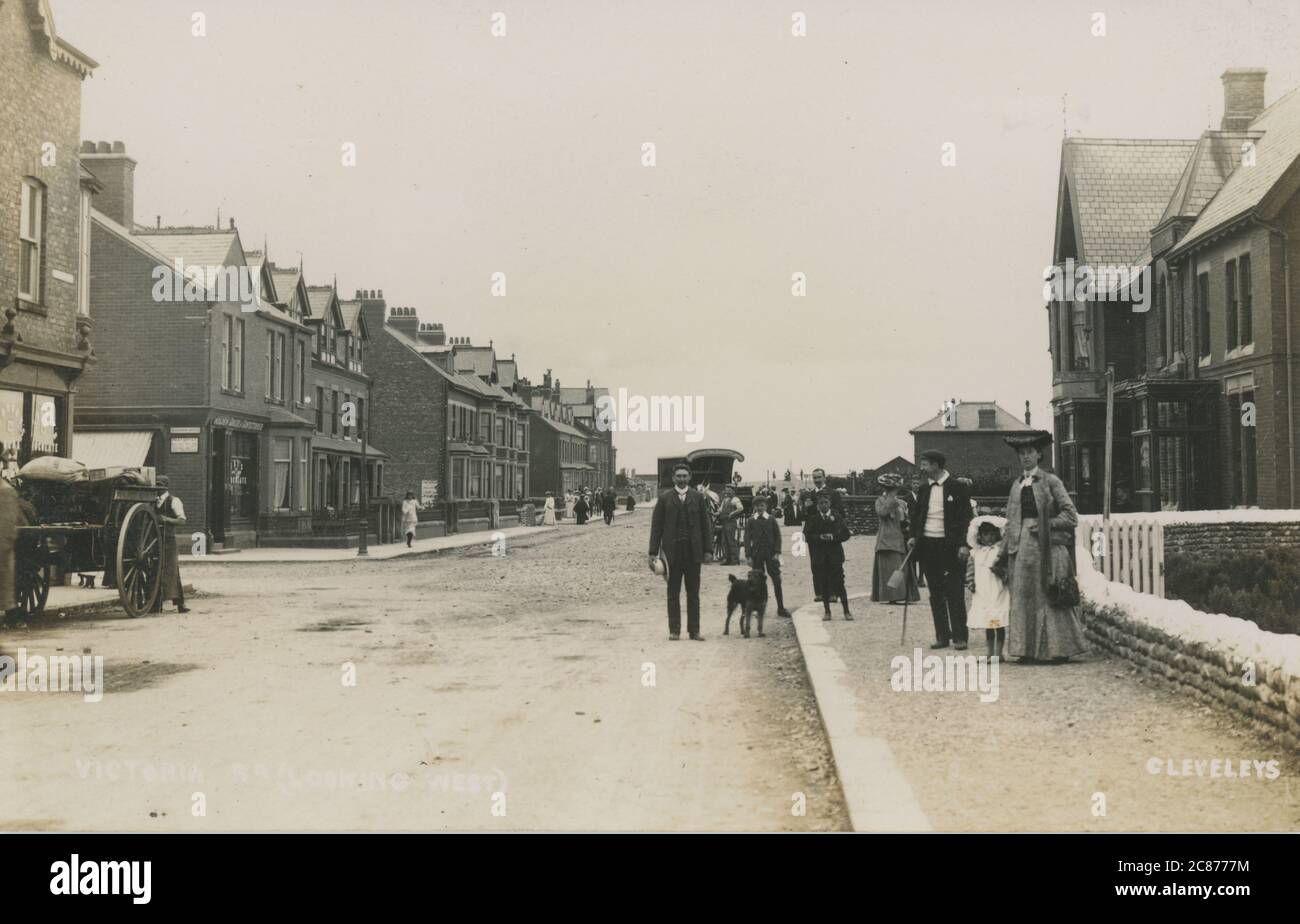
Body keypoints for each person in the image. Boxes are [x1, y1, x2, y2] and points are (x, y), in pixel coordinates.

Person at [1003, 431, 1087, 662]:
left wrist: (1044, 525)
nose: (1025, 457)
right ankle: (1026, 651)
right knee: (1023, 598)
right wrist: (1003, 552)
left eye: (1030, 452)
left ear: (1039, 454)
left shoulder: (1051, 481)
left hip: (1048, 549)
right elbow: (1011, 520)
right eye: (1021, 453)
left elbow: (1071, 516)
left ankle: (1058, 651)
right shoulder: (1016, 485)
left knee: (1048, 597)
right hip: (1020, 551)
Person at [908, 449, 972, 650]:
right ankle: (942, 636)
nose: (922, 467)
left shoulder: (958, 487)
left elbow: (965, 519)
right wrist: (912, 536)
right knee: (935, 593)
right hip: (928, 546)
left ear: (936, 465)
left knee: (954, 591)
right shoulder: (924, 489)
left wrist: (964, 544)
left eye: (925, 463)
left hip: (951, 547)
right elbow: (917, 515)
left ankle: (960, 637)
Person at [648, 462, 713, 640]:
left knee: (693, 594)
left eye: (685, 476)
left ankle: (694, 631)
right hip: (672, 555)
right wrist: (652, 552)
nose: (682, 479)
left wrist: (708, 549)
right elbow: (656, 527)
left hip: (693, 554)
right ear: (673, 478)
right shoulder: (665, 498)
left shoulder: (698, 498)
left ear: (690, 477)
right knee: (672, 593)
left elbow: (706, 526)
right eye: (679, 476)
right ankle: (674, 631)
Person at [965, 516, 1010, 659]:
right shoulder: (975, 552)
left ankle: (999, 652)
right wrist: (971, 582)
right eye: (985, 534)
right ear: (980, 536)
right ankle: (989, 652)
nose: (988, 538)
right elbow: (971, 569)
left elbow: (1006, 569)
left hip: (997, 589)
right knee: (988, 623)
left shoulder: (999, 552)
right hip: (983, 590)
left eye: (992, 534)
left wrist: (1000, 572)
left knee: (998, 622)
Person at [805, 492, 852, 621]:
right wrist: (819, 537)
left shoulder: (836, 517)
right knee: (824, 583)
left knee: (840, 582)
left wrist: (833, 537)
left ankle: (846, 610)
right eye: (821, 503)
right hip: (820, 556)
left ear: (830, 503)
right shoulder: (813, 519)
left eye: (826, 502)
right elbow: (807, 536)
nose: (823, 505)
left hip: (835, 555)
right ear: (817, 505)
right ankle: (827, 611)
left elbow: (846, 534)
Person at [872, 474, 919, 603]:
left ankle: (904, 594)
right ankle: (891, 595)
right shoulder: (880, 500)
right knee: (890, 567)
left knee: (902, 567)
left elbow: (906, 519)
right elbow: (883, 512)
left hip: (901, 537)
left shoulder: (902, 503)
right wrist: (892, 498)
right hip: (886, 539)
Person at [744, 494, 792, 618]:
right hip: (757, 554)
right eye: (757, 506)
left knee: (777, 580)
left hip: (771, 554)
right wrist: (748, 555)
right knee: (757, 582)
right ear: (754, 507)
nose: (759, 508)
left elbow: (778, 536)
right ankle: (758, 608)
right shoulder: (751, 521)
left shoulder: (771, 519)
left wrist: (777, 552)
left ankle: (781, 608)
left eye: (762, 505)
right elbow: (747, 539)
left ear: (766, 506)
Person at [801, 468, 843, 601]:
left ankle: (833, 593)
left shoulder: (834, 493)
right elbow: (803, 517)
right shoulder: (808, 495)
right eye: (815, 478)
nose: (817, 480)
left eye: (819, 477)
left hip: (830, 533)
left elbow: (840, 513)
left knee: (832, 563)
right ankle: (819, 593)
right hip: (814, 535)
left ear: (824, 477)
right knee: (816, 563)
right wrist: (807, 508)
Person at [152, 475, 190, 614]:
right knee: (156, 570)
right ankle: (155, 604)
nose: (157, 489)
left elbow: (182, 520)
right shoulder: (153, 501)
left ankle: (179, 603)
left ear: (165, 487)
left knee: (171, 570)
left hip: (168, 540)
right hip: (154, 541)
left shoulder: (174, 501)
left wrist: (165, 519)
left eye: (159, 486)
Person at [715, 485, 745, 565]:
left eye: (729, 490)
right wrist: (715, 514)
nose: (727, 492)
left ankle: (734, 560)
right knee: (724, 541)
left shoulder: (735, 499)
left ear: (733, 491)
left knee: (731, 541)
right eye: (726, 490)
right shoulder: (724, 500)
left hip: (731, 523)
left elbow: (741, 508)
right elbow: (720, 511)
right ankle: (727, 559)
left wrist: (732, 513)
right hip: (724, 522)